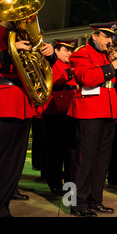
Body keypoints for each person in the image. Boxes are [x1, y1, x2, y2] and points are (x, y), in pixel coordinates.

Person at [67, 22, 117, 216]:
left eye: (112, 37)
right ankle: (77, 202)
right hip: (89, 111)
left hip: (108, 111)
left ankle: (95, 200)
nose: (110, 41)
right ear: (95, 36)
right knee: (86, 159)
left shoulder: (107, 56)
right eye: (106, 36)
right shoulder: (81, 53)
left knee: (102, 160)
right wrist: (111, 66)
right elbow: (86, 77)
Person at [0, 20, 53, 217]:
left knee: (13, 163)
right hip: (1, 100)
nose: (26, 19)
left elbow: (41, 68)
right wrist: (9, 52)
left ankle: (1, 209)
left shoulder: (25, 37)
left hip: (23, 103)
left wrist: (48, 54)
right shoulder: (0, 34)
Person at [42, 39, 79, 195]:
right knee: (55, 151)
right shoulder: (50, 62)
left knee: (70, 151)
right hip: (55, 111)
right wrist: (72, 71)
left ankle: (70, 183)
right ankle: (55, 182)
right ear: (56, 51)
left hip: (72, 110)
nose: (69, 54)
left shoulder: (72, 65)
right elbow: (54, 79)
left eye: (71, 51)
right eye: (66, 50)